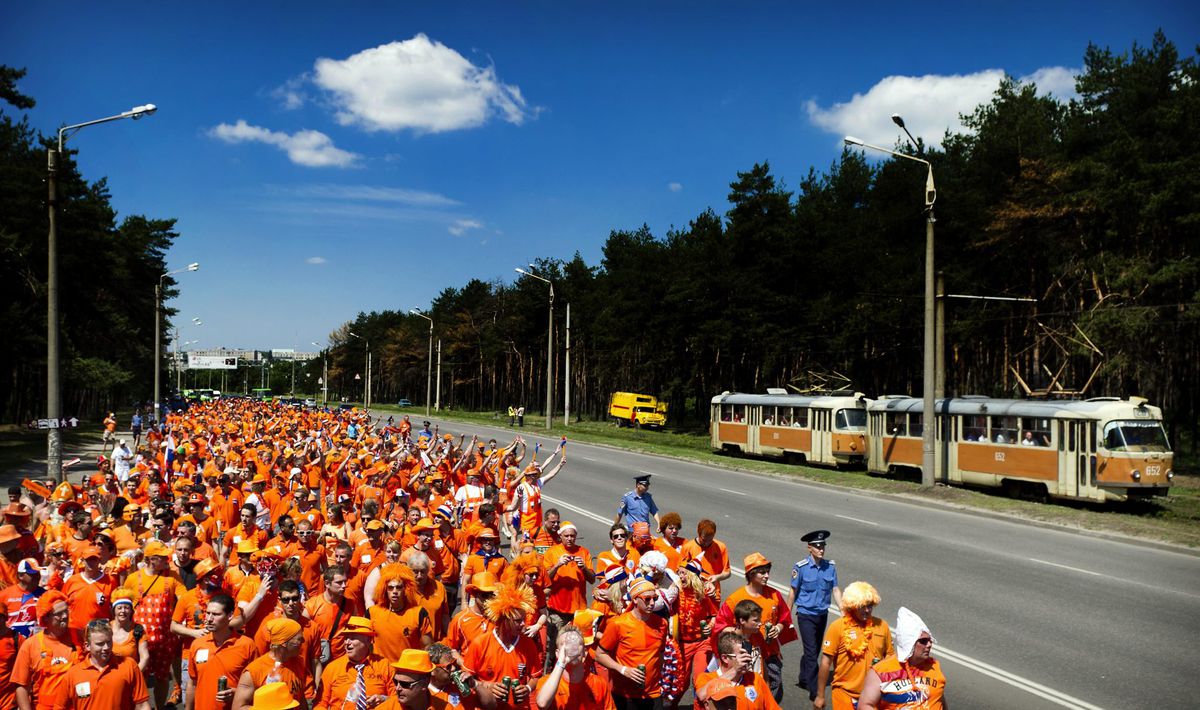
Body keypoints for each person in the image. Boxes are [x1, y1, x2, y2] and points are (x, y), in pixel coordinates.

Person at [713, 554, 796, 704]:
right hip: (744, 652)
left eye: (767, 572)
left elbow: (785, 618)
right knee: (746, 689)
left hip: (770, 651)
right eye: (762, 572)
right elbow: (720, 627)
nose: (767, 576)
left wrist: (778, 627)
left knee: (775, 685)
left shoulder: (774, 595)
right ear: (751, 574)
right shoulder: (735, 599)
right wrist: (740, 631)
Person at [460, 582, 542, 710]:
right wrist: (487, 686)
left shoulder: (528, 644)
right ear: (503, 620)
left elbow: (536, 677)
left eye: (523, 620)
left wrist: (527, 688)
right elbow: (466, 680)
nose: (523, 624)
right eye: (517, 621)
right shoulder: (480, 644)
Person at [815, 582, 893, 710]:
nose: (867, 610)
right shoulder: (837, 627)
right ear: (852, 606)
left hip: (874, 696)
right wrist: (820, 695)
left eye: (870, 606)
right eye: (862, 606)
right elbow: (825, 662)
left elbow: (890, 658)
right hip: (844, 693)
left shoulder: (882, 626)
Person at [595, 578, 668, 710]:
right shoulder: (618, 624)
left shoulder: (662, 623)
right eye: (647, 599)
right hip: (625, 694)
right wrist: (623, 670)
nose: (652, 603)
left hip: (653, 693)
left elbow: (660, 654)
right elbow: (600, 655)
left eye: (655, 598)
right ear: (635, 600)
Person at [857, 608, 946, 710]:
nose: (929, 644)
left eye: (929, 640)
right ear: (909, 642)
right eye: (923, 641)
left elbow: (938, 697)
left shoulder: (934, 666)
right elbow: (865, 705)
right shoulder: (880, 672)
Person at [789, 530, 841, 699]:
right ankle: (814, 689)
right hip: (805, 614)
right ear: (809, 548)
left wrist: (843, 610)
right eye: (817, 546)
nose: (821, 549)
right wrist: (785, 615)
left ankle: (804, 677)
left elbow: (835, 589)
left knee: (815, 649)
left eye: (823, 546)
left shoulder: (830, 567)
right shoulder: (801, 567)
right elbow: (793, 592)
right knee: (812, 652)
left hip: (822, 614)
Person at [55, 619, 151, 710]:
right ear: (87, 646)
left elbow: (142, 705)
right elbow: (60, 707)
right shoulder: (73, 674)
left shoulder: (129, 665)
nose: (106, 647)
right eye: (100, 644)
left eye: (109, 642)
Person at [185, 593, 259, 710]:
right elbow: (192, 683)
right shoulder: (197, 644)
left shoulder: (247, 645)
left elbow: (257, 686)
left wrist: (236, 693)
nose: (209, 619)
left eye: (215, 614)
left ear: (230, 615)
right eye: (208, 613)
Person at [543, 521, 596, 666]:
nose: (570, 539)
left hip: (578, 611)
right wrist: (558, 565)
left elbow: (592, 579)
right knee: (554, 646)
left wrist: (584, 567)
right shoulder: (552, 552)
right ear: (560, 536)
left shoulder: (583, 552)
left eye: (572, 536)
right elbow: (545, 579)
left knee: (577, 646)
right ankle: (548, 673)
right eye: (566, 536)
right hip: (557, 610)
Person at [313, 616, 394, 709]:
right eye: (346, 638)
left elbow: (397, 699)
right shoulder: (332, 668)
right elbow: (320, 704)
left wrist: (384, 699)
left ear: (368, 640)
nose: (347, 642)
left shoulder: (383, 665)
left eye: (352, 638)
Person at [13, 590, 76, 710]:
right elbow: (21, 686)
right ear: (45, 617)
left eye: (66, 610)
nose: (65, 616)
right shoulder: (30, 645)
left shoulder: (79, 637)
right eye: (59, 613)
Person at [231, 618, 306, 710]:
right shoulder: (254, 671)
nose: (303, 641)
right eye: (299, 639)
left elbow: (300, 698)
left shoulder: (299, 662)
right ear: (284, 643)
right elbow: (238, 707)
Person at [693, 630, 780, 710]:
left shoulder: (755, 678)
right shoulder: (706, 678)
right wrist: (734, 671)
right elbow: (702, 695)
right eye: (741, 655)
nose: (747, 659)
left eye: (747, 654)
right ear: (725, 658)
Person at [535, 626, 615, 709]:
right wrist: (561, 662)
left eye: (577, 644)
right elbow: (542, 703)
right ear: (558, 653)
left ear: (584, 653)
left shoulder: (599, 684)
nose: (572, 648)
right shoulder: (546, 682)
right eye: (565, 644)